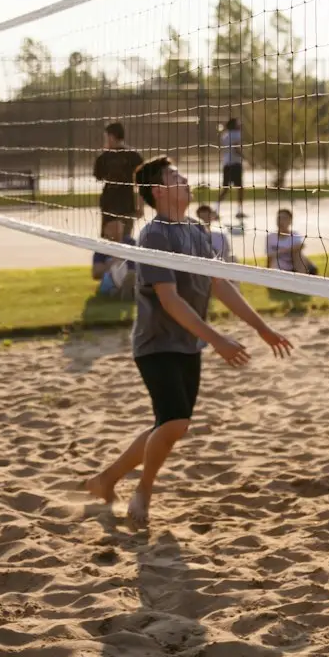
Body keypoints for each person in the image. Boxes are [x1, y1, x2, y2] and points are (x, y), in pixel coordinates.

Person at [86, 155, 293, 525]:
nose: (184, 178)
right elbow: (169, 299)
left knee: (169, 425)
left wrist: (260, 328)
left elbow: (220, 284)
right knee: (175, 422)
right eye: (174, 175)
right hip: (155, 344)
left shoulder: (197, 230)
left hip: (186, 343)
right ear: (158, 190)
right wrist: (218, 340)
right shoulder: (155, 235)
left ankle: (106, 479)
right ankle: (143, 492)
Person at [94, 122, 144, 233]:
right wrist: (140, 206)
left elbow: (98, 176)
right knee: (124, 241)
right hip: (126, 205)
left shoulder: (103, 157)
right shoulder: (133, 155)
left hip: (110, 205)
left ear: (111, 137)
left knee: (109, 243)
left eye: (106, 137)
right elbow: (141, 183)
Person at [92, 217, 135, 299]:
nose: (116, 230)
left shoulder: (131, 244)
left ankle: (125, 290)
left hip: (131, 276)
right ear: (105, 230)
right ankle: (122, 292)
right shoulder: (101, 247)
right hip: (110, 280)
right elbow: (95, 274)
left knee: (132, 275)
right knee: (115, 269)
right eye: (112, 227)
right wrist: (110, 264)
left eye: (118, 226)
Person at [266, 208, 314, 275]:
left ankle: (302, 280)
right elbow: (269, 257)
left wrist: (280, 251)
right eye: (279, 218)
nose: (281, 221)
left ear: (290, 221)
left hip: (295, 264)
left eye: (284, 218)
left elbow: (301, 245)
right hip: (279, 265)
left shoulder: (294, 234)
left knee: (297, 254)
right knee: (273, 262)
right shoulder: (270, 237)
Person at [220, 117, 245, 221]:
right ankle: (239, 211)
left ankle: (216, 210)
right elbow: (236, 148)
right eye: (238, 122)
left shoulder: (225, 135)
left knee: (225, 188)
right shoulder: (236, 134)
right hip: (235, 164)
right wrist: (245, 157)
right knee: (240, 188)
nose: (240, 124)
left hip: (226, 164)